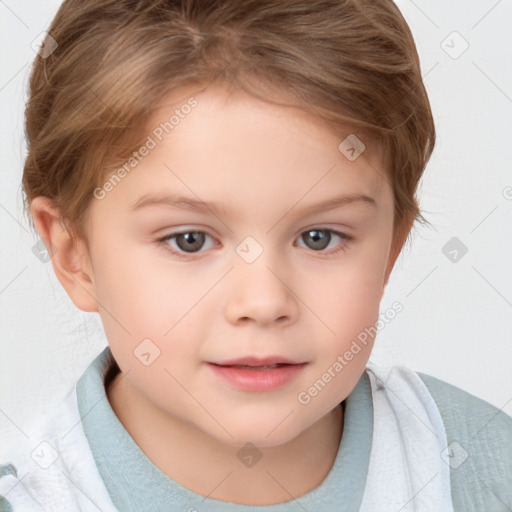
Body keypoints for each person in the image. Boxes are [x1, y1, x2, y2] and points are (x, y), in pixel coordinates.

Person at [1, 0, 511, 510]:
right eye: (190, 240)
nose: (264, 302)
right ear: (74, 255)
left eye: (319, 237)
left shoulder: (483, 470)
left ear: (391, 249)